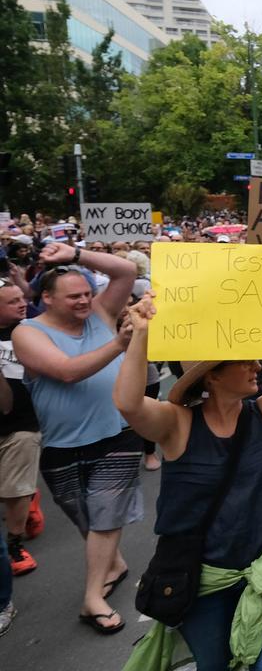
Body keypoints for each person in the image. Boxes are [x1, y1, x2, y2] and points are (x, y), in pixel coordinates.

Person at [114, 284, 262, 670]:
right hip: (205, 577)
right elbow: (129, 404)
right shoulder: (177, 424)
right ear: (212, 377)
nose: (257, 367)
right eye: (243, 360)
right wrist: (141, 336)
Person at [11, 241, 139, 635]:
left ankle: (92, 599)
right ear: (46, 298)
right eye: (74, 297)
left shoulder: (101, 313)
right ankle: (112, 565)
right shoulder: (27, 332)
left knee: (105, 514)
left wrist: (76, 255)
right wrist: (119, 343)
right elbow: (66, 371)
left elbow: (126, 272)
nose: (85, 301)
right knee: (87, 520)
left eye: (87, 292)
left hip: (118, 434)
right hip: (62, 445)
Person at [1, 275, 43, 583]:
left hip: (23, 424)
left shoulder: (34, 330)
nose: (22, 304)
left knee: (14, 489)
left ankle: (14, 545)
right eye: (13, 301)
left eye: (21, 298)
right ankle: (29, 501)